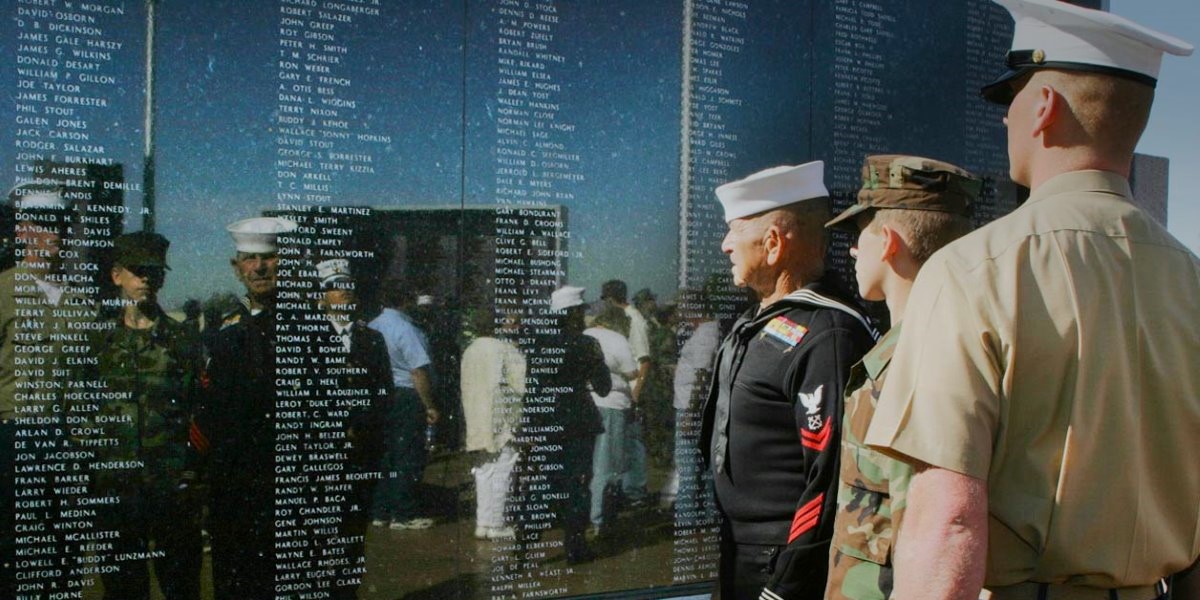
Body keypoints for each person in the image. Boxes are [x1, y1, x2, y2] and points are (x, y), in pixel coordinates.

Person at [863, 2, 1199, 598]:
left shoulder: (973, 271)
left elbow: (949, 519)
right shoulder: (1190, 276)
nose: (1004, 119)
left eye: (1012, 97)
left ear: (1044, 109)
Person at [700, 161, 876, 600]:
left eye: (734, 231)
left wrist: (787, 585)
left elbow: (831, 476)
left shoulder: (826, 334)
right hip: (741, 551)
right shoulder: (762, 321)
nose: (725, 246)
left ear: (774, 242)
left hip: (780, 560)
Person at [820, 155, 980, 600]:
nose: (852, 251)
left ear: (888, 242)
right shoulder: (930, 345)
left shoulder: (922, 360)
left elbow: (929, 534)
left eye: (859, 234)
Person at [85, 232, 206, 600]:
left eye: (155, 272)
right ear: (117, 275)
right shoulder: (97, 341)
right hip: (114, 488)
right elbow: (81, 409)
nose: (148, 279)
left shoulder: (183, 340)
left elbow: (198, 409)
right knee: (122, 588)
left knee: (181, 584)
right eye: (138, 271)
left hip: (170, 489)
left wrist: (191, 474)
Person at [195, 216, 297, 599]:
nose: (259, 267)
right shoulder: (225, 329)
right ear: (236, 268)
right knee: (233, 579)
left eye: (269, 258)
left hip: (285, 482)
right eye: (249, 259)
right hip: (232, 485)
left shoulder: (308, 328)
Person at [0, 183, 92, 598]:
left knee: (64, 555)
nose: (53, 233)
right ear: (22, 231)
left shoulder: (80, 302)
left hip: (68, 439)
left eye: (60, 224)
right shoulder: (3, 291)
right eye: (43, 224)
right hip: (10, 433)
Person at [308, 259, 394, 598]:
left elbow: (383, 390)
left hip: (360, 450)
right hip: (319, 451)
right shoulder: (308, 337)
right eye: (333, 285)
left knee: (353, 527)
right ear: (322, 296)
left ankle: (346, 591)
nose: (342, 290)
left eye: (347, 284)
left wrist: (362, 425)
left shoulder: (371, 339)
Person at [516, 285, 610, 564]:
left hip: (546, 421)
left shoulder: (538, 345)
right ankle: (575, 548)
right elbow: (603, 387)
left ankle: (522, 549)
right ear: (573, 314)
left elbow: (533, 389)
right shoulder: (587, 344)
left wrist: (529, 426)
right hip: (580, 422)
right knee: (578, 485)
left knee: (541, 484)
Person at [369, 281, 439, 530]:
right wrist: (429, 405)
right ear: (406, 301)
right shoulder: (406, 329)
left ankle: (380, 511)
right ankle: (404, 514)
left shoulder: (373, 325)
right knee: (408, 456)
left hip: (380, 394)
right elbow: (418, 371)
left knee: (385, 455)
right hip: (407, 396)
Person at [460, 308, 526, 540]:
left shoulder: (470, 350)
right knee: (504, 469)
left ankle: (483, 523)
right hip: (502, 418)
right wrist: (518, 422)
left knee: (483, 470)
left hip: (476, 417)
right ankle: (496, 524)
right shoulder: (506, 350)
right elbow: (519, 389)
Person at [583, 304, 638, 536]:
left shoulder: (585, 335)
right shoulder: (617, 339)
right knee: (606, 465)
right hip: (612, 405)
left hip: (585, 403)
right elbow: (633, 371)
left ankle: (584, 516)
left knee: (587, 464)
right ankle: (599, 519)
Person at [600, 279, 653, 505]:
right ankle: (627, 488)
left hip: (631, 392)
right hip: (624, 392)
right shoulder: (623, 319)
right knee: (625, 442)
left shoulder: (634, 320)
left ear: (610, 299)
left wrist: (636, 394)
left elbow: (644, 360)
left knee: (633, 442)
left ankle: (635, 491)